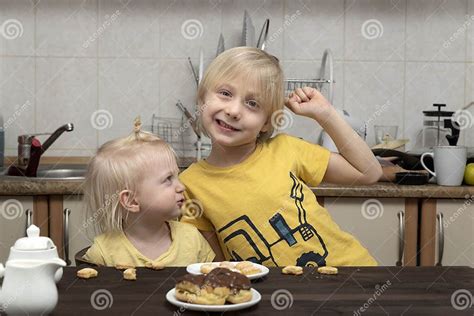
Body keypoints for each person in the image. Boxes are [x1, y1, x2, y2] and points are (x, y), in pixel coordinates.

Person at [180, 47, 382, 267]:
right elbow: (216, 265)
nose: (234, 111)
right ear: (202, 101)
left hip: (352, 272)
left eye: (252, 103)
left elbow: (369, 172)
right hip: (277, 295)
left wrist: (325, 114)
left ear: (266, 122)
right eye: (225, 94)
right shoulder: (189, 185)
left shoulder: (287, 149)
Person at [83, 119, 215, 267]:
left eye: (177, 176)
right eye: (168, 179)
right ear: (131, 201)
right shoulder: (102, 253)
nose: (181, 187)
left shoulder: (193, 239)